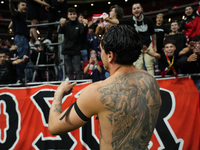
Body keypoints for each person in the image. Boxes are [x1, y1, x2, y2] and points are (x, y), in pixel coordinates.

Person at [48, 25, 162, 150]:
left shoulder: (98, 92)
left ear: (110, 56)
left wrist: (58, 94)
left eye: (101, 50)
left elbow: (54, 126)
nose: (99, 53)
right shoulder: (150, 81)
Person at [105, 3, 156, 76]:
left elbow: (153, 34)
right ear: (132, 11)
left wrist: (155, 46)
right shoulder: (130, 21)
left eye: (138, 8)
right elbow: (117, 22)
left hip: (148, 45)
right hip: (136, 47)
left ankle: (152, 84)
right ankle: (140, 84)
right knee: (138, 66)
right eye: (134, 9)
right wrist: (107, 20)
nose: (136, 10)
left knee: (149, 65)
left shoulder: (148, 20)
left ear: (141, 9)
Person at [59, 8, 88, 80]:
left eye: (74, 14)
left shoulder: (79, 24)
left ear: (76, 15)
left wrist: (85, 26)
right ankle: (71, 85)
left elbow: (83, 35)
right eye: (71, 14)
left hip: (76, 49)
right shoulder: (65, 23)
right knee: (69, 69)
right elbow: (60, 32)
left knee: (78, 69)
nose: (72, 16)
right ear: (68, 15)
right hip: (67, 49)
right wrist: (61, 25)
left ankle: (78, 84)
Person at [9, 0, 31, 83]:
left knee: (26, 59)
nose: (25, 6)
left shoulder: (19, 16)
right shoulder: (17, 13)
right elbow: (12, 10)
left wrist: (13, 23)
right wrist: (11, 3)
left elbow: (9, 26)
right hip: (21, 38)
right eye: (23, 5)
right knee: (23, 57)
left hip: (23, 39)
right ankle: (19, 79)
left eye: (26, 5)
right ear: (18, 7)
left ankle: (20, 77)